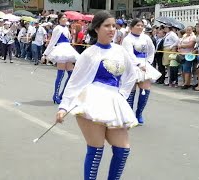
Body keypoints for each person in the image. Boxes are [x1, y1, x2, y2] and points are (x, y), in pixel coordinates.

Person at [56, 10, 138, 180]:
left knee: (123, 150)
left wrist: (122, 94)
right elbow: (74, 83)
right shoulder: (89, 54)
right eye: (107, 26)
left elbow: (131, 75)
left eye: (113, 26)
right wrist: (63, 107)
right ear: (96, 29)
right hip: (93, 102)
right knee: (96, 150)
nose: (111, 29)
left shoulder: (120, 51)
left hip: (114, 102)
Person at [122, 18, 161, 125]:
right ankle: (128, 114)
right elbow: (129, 54)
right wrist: (138, 64)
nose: (140, 27)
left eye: (141, 26)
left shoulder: (146, 38)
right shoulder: (127, 39)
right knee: (131, 90)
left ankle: (139, 113)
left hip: (145, 65)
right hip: (132, 66)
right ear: (131, 27)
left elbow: (151, 50)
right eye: (137, 25)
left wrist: (148, 61)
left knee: (146, 89)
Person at [42, 13, 79, 104]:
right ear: (59, 19)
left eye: (66, 18)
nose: (65, 19)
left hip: (68, 50)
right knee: (61, 74)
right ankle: (56, 95)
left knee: (71, 75)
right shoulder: (57, 28)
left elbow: (70, 40)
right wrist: (45, 54)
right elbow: (52, 42)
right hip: (61, 50)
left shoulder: (67, 28)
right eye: (63, 18)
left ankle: (63, 94)